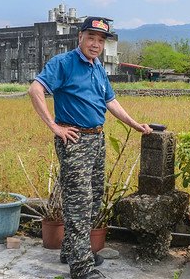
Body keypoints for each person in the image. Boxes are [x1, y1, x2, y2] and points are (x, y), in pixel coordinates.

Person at [28, 16, 152, 279]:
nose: (95, 44)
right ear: (80, 38)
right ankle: (81, 267)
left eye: (100, 40)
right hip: (75, 140)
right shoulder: (63, 63)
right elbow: (35, 90)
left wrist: (134, 124)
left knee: (93, 199)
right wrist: (54, 126)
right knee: (79, 204)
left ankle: (71, 250)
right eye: (91, 38)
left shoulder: (97, 68)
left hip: (97, 139)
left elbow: (111, 101)